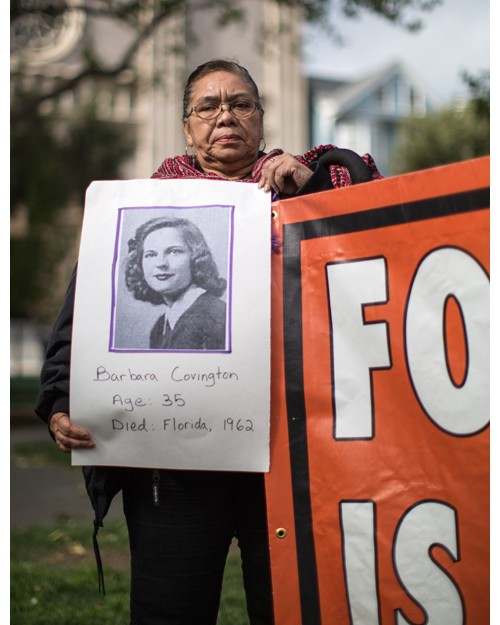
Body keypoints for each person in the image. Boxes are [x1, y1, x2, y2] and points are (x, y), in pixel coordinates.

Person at [35, 59, 383, 625]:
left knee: (290, 607)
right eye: (208, 106)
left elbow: (371, 247)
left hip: (283, 455)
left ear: (261, 119)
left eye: (241, 103)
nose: (226, 115)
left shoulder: (301, 190)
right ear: (187, 126)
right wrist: (60, 401)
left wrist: (310, 185)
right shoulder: (139, 211)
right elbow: (85, 318)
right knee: (170, 609)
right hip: (173, 465)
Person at [124, 216, 227, 350]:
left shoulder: (216, 318)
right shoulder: (161, 326)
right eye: (151, 255)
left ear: (195, 258)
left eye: (174, 252)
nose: (161, 263)